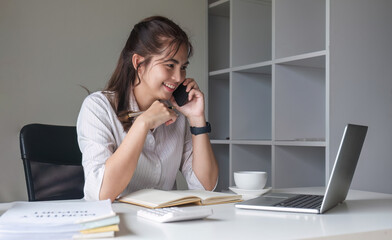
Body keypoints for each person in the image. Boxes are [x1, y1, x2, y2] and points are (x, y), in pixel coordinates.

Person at [77, 16, 218, 202]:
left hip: (165, 224)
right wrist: (143, 124)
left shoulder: (179, 115)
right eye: (170, 65)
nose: (178, 77)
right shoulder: (98, 108)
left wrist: (197, 119)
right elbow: (102, 194)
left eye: (183, 67)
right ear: (138, 63)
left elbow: (206, 188)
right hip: (115, 224)